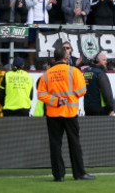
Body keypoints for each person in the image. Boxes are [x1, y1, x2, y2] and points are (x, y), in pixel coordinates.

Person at [37, 46, 94, 182]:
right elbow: (82, 90)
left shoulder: (46, 74)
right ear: (66, 58)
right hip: (70, 112)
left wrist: (56, 101)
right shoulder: (73, 71)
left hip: (53, 113)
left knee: (55, 144)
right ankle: (79, 174)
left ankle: (59, 175)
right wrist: (70, 96)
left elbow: (41, 95)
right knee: (74, 143)